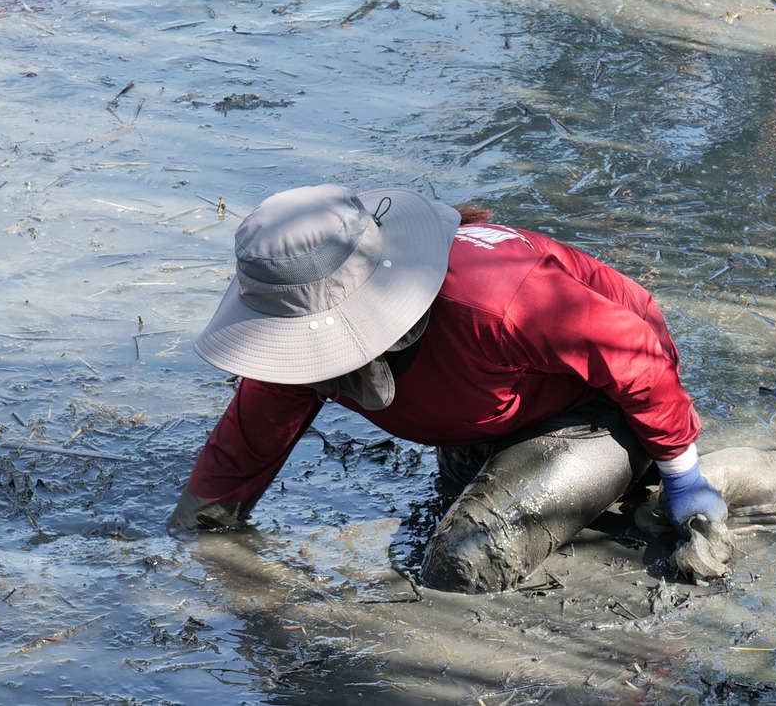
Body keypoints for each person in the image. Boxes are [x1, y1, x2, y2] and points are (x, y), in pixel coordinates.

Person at [170, 184, 725, 593]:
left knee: (467, 559)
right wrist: (194, 540)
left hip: (598, 408)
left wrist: (683, 475)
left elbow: (638, 358)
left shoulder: (498, 297)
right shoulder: (301, 337)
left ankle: (681, 475)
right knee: (446, 514)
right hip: (488, 413)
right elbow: (249, 440)